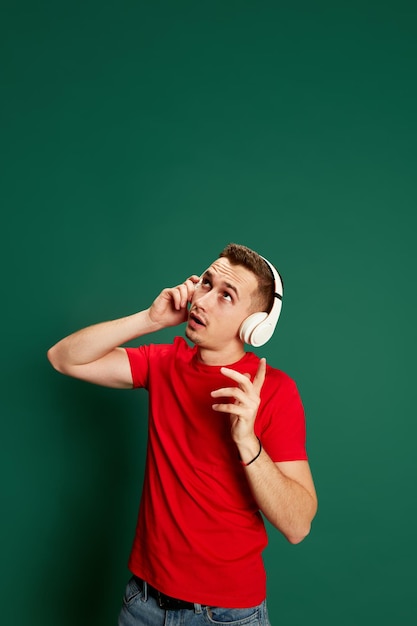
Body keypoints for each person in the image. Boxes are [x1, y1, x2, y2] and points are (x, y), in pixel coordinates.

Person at [47, 243, 317, 626]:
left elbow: (298, 526)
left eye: (226, 295)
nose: (203, 300)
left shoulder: (274, 390)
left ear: (254, 326)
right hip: (142, 601)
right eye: (206, 283)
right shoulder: (163, 363)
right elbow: (64, 358)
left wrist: (247, 442)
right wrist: (150, 320)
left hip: (227, 614)